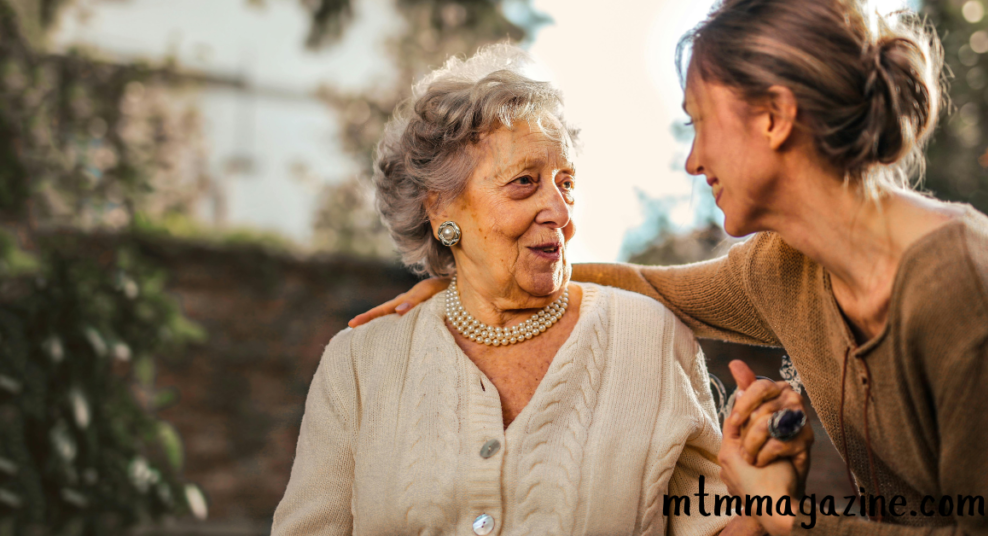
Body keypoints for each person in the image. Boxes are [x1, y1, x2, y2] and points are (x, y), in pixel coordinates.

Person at [348, 1, 988, 535]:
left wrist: (789, 522)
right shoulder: (786, 268)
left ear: (774, 117)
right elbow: (647, 286)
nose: (693, 161)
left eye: (699, 122)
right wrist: (473, 270)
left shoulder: (963, 294)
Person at [271, 44, 788, 535]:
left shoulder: (650, 338)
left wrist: (768, 504)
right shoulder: (360, 363)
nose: (561, 214)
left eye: (566, 182)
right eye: (524, 182)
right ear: (441, 209)